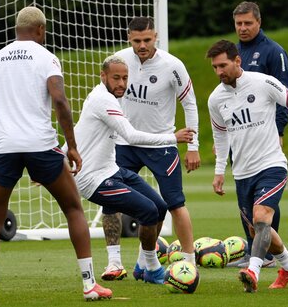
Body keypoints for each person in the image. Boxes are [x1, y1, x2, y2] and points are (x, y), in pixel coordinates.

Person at [0, 6, 111, 302]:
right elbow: (60, 102)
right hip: (41, 147)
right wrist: (72, 146)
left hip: (3, 149)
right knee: (74, 210)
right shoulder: (46, 57)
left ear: (17, 30)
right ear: (40, 30)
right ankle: (90, 285)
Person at [65, 55, 194, 284]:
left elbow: (78, 129)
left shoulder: (105, 96)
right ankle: (153, 269)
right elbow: (131, 136)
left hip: (111, 170)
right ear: (103, 76)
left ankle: (142, 265)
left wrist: (59, 155)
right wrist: (172, 138)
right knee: (148, 212)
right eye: (116, 78)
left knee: (161, 207)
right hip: (93, 180)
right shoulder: (102, 100)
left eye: (125, 78)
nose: (122, 84)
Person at [206, 39, 288, 292]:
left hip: (271, 165)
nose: (219, 72)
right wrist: (218, 172)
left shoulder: (262, 82)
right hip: (242, 172)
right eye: (214, 67)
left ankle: (253, 271)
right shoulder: (215, 99)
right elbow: (220, 136)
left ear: (237, 61)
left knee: (261, 218)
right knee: (258, 228)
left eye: (222, 65)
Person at [100, 17, 201, 281]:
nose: (142, 45)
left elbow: (189, 104)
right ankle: (113, 263)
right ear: (128, 38)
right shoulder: (119, 61)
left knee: (174, 204)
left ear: (155, 36)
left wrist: (193, 145)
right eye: (137, 41)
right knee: (110, 200)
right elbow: (103, 98)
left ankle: (187, 264)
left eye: (147, 40)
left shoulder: (172, 66)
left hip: (161, 145)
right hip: (124, 143)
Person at [229, 1, 288, 268]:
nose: (243, 28)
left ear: (259, 22)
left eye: (248, 23)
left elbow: (284, 95)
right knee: (246, 192)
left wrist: (279, 131)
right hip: (241, 133)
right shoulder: (234, 52)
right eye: (238, 24)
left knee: (264, 197)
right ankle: (255, 249)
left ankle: (264, 254)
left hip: (266, 135)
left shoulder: (273, 52)